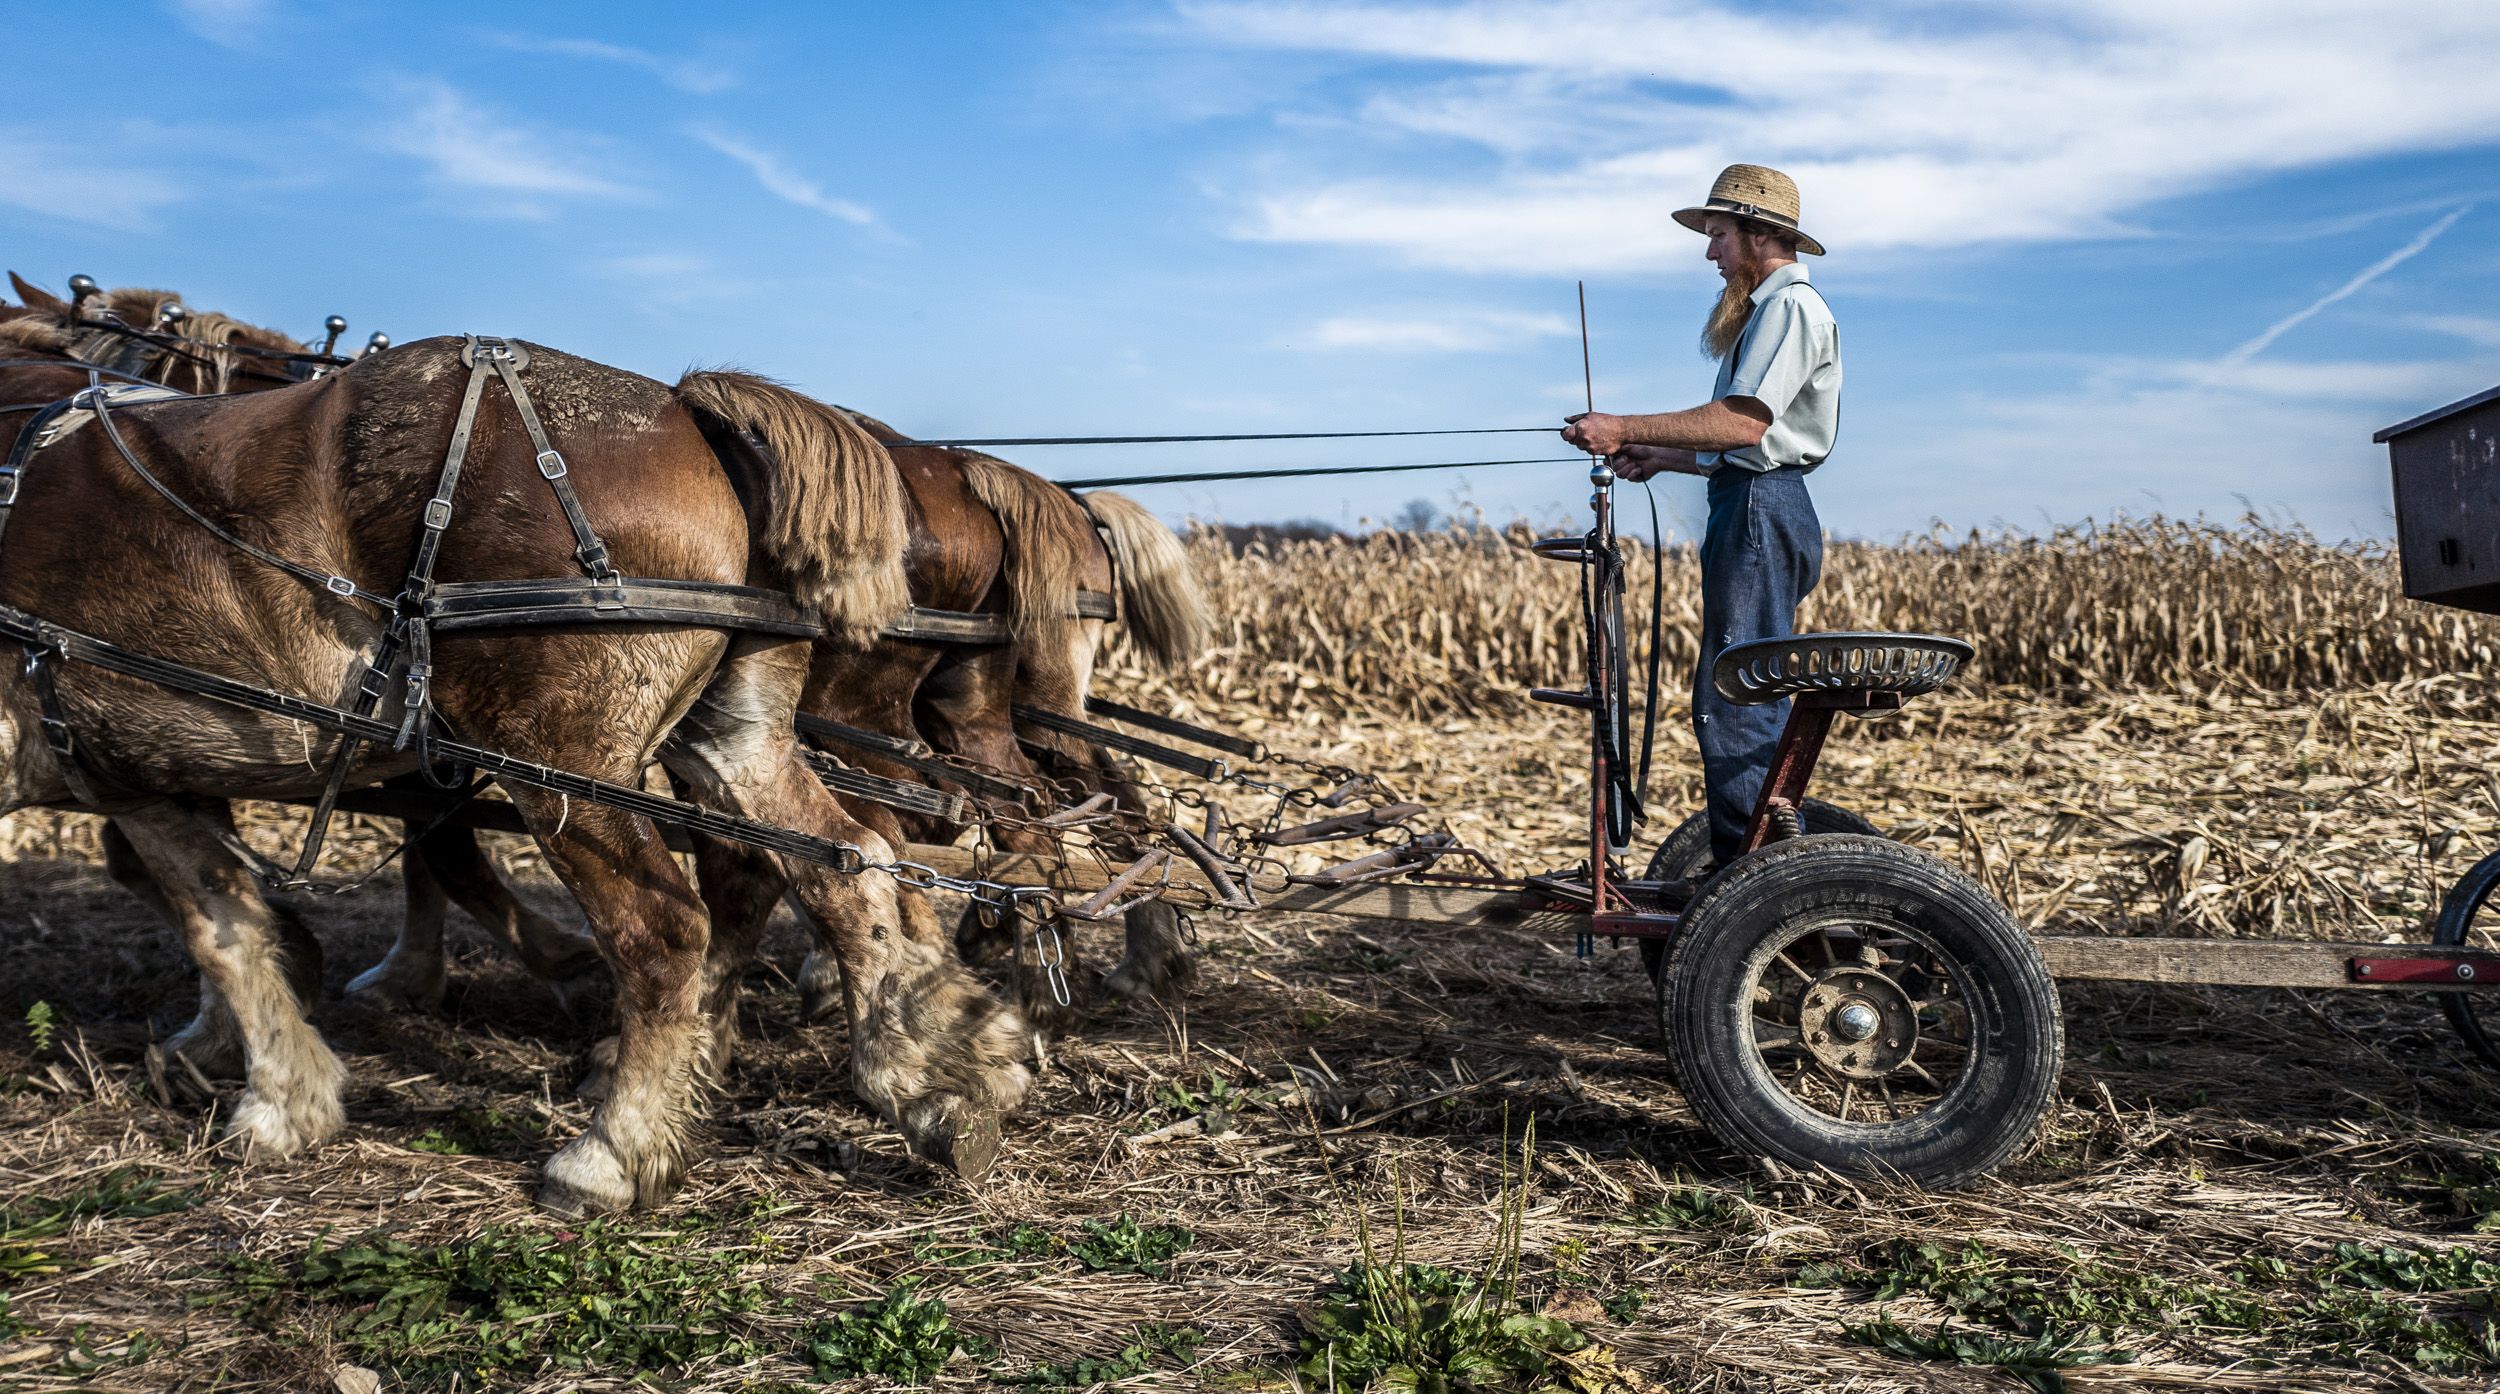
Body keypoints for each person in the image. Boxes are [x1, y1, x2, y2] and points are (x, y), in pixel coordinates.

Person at [1561, 163, 1841, 873]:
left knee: (1737, 694)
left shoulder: (1789, 309)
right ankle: (1749, 862)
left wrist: (1621, 423)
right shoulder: (1769, 313)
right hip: (1756, 501)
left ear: (1760, 235)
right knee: (1739, 684)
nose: (1709, 252)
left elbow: (1743, 426)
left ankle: (1751, 877)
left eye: (1718, 235)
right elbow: (1746, 444)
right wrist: (1658, 452)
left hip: (1759, 509)